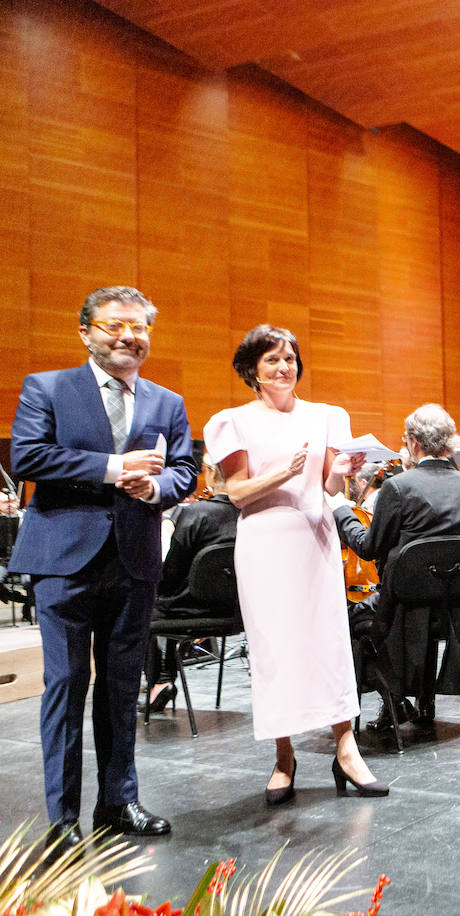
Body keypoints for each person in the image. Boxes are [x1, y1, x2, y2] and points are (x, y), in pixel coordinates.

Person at [9, 286, 198, 848]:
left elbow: (185, 471)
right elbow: (28, 456)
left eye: (139, 327)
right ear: (85, 331)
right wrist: (117, 468)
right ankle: (62, 820)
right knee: (66, 686)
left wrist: (156, 485)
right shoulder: (47, 387)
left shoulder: (167, 401)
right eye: (114, 325)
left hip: (135, 560)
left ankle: (119, 801)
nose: (128, 336)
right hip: (64, 562)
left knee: (120, 689)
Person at [204, 324, 386, 805]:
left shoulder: (327, 416)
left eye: (290, 358)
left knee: (328, 643)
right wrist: (283, 472)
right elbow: (237, 493)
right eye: (271, 360)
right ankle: (284, 758)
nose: (284, 367)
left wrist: (343, 472)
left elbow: (328, 490)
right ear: (252, 370)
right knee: (275, 648)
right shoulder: (233, 421)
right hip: (265, 542)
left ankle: (346, 749)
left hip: (314, 537)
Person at [333, 403, 460, 729]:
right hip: (459, 611)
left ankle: (394, 700)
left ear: (414, 443)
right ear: (448, 443)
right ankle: (421, 703)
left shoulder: (398, 487)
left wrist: (341, 510)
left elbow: (367, 547)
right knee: (423, 589)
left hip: (403, 608)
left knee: (345, 623)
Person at [144, 459, 239, 712]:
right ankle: (164, 678)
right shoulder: (251, 516)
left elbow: (169, 573)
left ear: (210, 473)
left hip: (189, 612)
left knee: (141, 608)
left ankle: (160, 682)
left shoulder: (192, 514)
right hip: (234, 615)